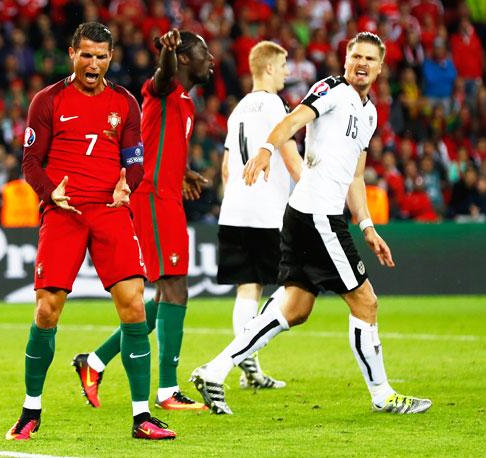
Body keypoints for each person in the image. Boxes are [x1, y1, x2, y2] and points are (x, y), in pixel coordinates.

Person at [191, 32, 432, 415]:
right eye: (356, 56)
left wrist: (367, 225)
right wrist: (268, 149)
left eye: (370, 59)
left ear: (381, 67)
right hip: (317, 215)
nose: (362, 64)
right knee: (365, 302)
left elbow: (355, 177)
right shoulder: (332, 90)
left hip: (308, 215)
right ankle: (383, 394)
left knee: (295, 307)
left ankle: (214, 370)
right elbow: (292, 120)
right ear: (346, 58)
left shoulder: (369, 114)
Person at [6, 22, 175, 441]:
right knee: (47, 309)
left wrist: (127, 183)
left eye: (101, 56)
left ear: (110, 58)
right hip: (63, 212)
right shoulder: (47, 101)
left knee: (134, 305)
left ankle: (142, 417)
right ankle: (31, 411)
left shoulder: (126, 103)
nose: (93, 63)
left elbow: (134, 161)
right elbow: (30, 163)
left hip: (109, 211)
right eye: (86, 55)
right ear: (71, 55)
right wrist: (50, 192)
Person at [72, 29, 213, 412]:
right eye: (203, 52)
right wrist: (166, 53)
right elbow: (162, 76)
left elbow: (158, 145)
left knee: (163, 295)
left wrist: (181, 172)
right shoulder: (164, 88)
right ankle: (167, 391)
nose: (211, 59)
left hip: (166, 196)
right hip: (150, 198)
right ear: (183, 58)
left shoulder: (185, 103)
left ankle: (94, 362)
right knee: (175, 287)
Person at [211, 41, 298, 402]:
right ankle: (244, 357)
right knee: (295, 287)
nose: (286, 72)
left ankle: (250, 369)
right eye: (282, 66)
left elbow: (226, 167)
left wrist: (236, 199)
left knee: (248, 288)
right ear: (266, 69)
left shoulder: (238, 110)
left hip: (235, 210)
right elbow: (290, 154)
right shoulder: (275, 105)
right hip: (267, 212)